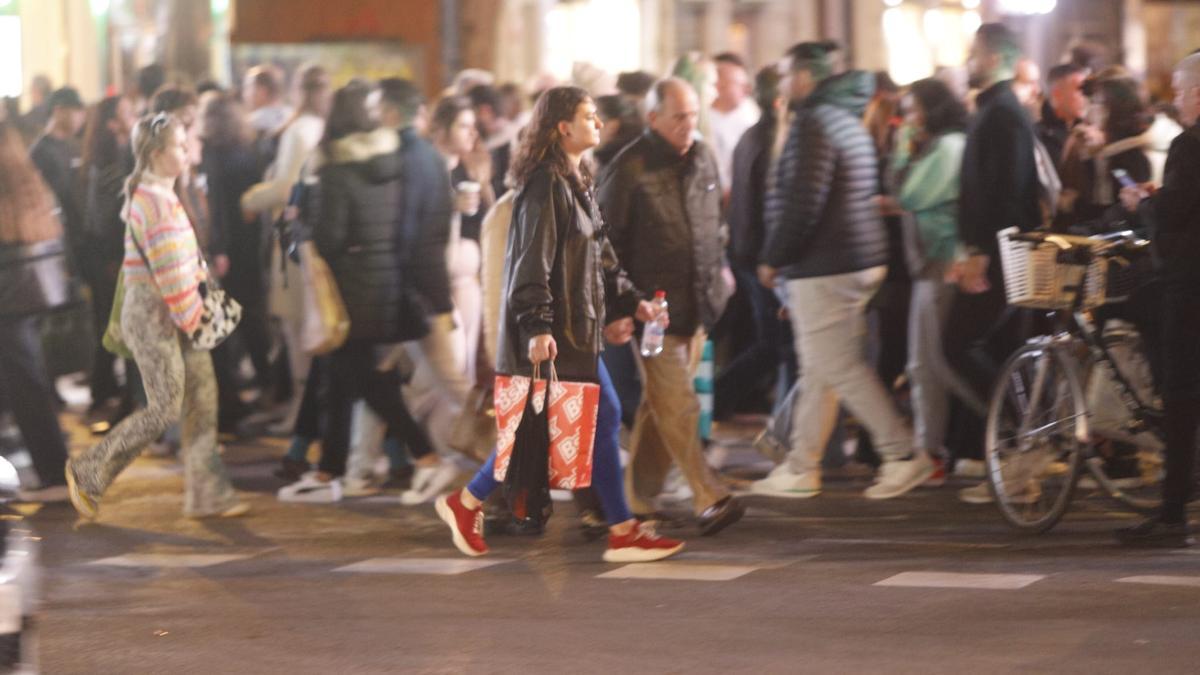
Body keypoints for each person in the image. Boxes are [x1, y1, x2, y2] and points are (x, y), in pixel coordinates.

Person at [435, 86, 685, 562]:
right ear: (562, 127)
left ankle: (471, 503)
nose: (598, 122)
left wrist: (631, 305)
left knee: (578, 420)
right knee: (551, 424)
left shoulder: (577, 178)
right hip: (556, 334)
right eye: (588, 116)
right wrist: (537, 328)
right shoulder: (544, 184)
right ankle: (618, 528)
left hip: (575, 330)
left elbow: (601, 258)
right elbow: (531, 264)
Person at [754, 42, 931, 500]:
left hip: (825, 263)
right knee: (820, 369)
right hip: (855, 258)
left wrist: (775, 257)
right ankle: (801, 466)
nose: (783, 82)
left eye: (789, 73)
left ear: (808, 78)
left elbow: (803, 200)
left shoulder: (813, 123)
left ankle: (902, 454)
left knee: (839, 366)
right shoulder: (845, 120)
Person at [65, 112, 249, 520]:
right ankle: (89, 469)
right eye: (180, 146)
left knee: (202, 398)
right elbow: (171, 275)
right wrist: (197, 318)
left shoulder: (157, 194)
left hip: (174, 314)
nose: (187, 153)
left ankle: (208, 494)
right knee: (165, 406)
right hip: (159, 318)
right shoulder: (155, 202)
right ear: (155, 152)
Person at [597, 77, 744, 534]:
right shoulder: (628, 169)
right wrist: (621, 306)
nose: (688, 124)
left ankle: (632, 499)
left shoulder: (703, 158)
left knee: (660, 408)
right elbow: (605, 246)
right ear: (653, 117)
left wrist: (717, 282)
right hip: (651, 311)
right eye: (679, 116)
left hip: (696, 303)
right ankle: (709, 496)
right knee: (678, 403)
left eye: (693, 114)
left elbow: (714, 225)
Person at [281, 81, 439, 502]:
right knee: (342, 377)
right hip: (384, 283)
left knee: (370, 382)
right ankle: (329, 470)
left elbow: (330, 237)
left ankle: (426, 455)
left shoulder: (335, 167)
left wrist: (300, 227)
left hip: (349, 290)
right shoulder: (390, 161)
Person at [949, 24, 1044, 503]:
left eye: (972, 52)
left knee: (956, 344)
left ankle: (1021, 436)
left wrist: (980, 255)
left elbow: (1003, 194)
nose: (967, 59)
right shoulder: (997, 110)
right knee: (1003, 352)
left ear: (990, 58)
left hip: (1002, 257)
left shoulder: (1003, 114)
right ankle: (1015, 459)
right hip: (1000, 253)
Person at [1114, 52, 1200, 547]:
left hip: (1189, 284)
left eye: (1182, 91)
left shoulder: (1190, 146)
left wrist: (1143, 203)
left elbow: (1174, 213)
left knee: (1181, 397)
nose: (1177, 100)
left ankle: (1172, 514)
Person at [879, 78, 984, 469]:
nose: (907, 118)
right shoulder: (945, 146)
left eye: (912, 110)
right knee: (926, 364)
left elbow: (906, 193)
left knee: (936, 363)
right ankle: (930, 450)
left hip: (942, 263)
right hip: (932, 264)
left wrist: (902, 148)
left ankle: (1007, 429)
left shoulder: (947, 147)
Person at [241, 64, 331, 441]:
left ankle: (303, 415)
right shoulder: (326, 127)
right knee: (311, 330)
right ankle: (311, 414)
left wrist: (249, 198)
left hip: (292, 241)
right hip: (318, 239)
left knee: (297, 333)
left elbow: (285, 187)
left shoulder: (298, 130)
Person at [715, 65, 795, 421]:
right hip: (760, 257)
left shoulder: (751, 135)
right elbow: (770, 206)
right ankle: (718, 400)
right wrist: (773, 259)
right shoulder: (774, 139)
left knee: (771, 341)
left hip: (746, 252)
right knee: (776, 344)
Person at [0, 121, 72, 501]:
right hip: (23, 294)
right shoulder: (20, 176)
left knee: (25, 384)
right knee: (24, 379)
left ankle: (55, 474)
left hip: (7, 298)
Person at [199, 92, 270, 433]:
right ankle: (267, 381)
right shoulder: (248, 150)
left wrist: (218, 247)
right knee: (253, 318)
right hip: (250, 243)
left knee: (222, 325)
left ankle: (231, 400)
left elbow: (218, 206)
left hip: (226, 249)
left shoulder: (212, 154)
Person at [80, 95, 138, 422]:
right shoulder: (113, 164)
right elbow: (106, 219)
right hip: (113, 258)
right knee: (118, 326)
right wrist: (116, 256)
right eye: (128, 112)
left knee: (113, 325)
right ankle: (118, 398)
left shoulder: (109, 159)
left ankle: (105, 391)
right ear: (112, 124)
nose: (134, 117)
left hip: (109, 257)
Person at [430, 95, 491, 386]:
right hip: (436, 276)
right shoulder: (428, 169)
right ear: (441, 129)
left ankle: (455, 428)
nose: (472, 132)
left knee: (464, 360)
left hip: (467, 278)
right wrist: (450, 206)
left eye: (473, 126)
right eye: (463, 126)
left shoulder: (470, 169)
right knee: (447, 362)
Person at [29, 87, 87, 265]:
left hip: (79, 235)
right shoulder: (40, 151)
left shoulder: (72, 146)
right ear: (58, 110)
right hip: (59, 238)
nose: (81, 117)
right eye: (76, 111)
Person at [709, 52, 760, 196]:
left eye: (746, 85)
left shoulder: (751, 113)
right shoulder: (702, 115)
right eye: (739, 84)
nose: (746, 90)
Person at [1036, 63, 1089, 172]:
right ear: (1057, 95)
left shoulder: (1090, 132)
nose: (1085, 96)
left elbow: (1118, 173)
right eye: (1080, 89)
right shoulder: (1037, 138)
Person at [243, 65, 292, 135]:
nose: (245, 94)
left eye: (248, 87)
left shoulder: (252, 123)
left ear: (262, 91)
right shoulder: (292, 116)